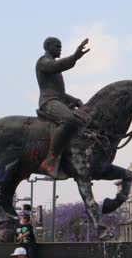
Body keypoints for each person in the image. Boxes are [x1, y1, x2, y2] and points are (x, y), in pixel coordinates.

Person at [36, 36, 91, 177]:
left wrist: (77, 101)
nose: (60, 49)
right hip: (48, 102)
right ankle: (50, 160)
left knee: (83, 119)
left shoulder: (54, 67)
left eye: (60, 46)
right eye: (57, 46)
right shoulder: (44, 62)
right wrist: (75, 57)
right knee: (70, 120)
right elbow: (56, 66)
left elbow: (61, 93)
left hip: (58, 100)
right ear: (48, 47)